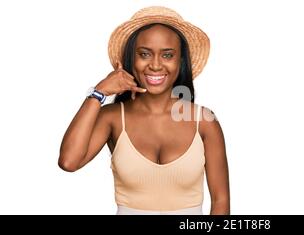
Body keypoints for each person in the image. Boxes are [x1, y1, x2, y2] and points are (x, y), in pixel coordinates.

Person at [58, 6, 230, 215]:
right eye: (144, 54)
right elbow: (69, 162)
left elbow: (221, 201)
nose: (155, 65)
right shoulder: (112, 117)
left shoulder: (204, 121)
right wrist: (99, 92)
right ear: (132, 59)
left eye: (167, 55)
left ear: (180, 61)